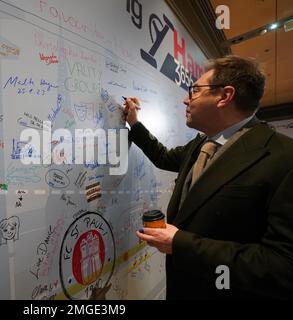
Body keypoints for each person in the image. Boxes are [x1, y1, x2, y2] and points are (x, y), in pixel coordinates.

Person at [124, 55, 293, 299]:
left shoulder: (282, 158)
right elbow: (163, 157)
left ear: (224, 96)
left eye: (194, 91)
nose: (186, 99)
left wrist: (181, 244)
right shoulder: (202, 144)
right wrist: (134, 124)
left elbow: (281, 266)